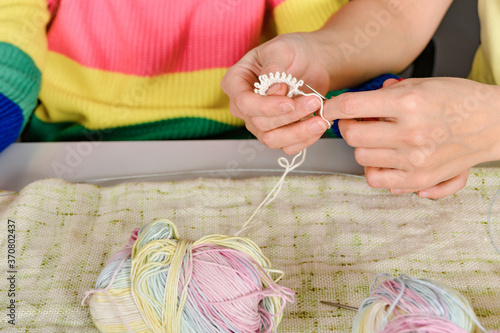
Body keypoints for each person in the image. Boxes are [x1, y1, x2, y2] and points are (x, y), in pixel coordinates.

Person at [222, 0, 500, 199]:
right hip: (453, 151)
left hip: (460, 147)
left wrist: (488, 125)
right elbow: (399, 13)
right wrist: (320, 54)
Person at [0, 0, 348, 153]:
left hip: (244, 144)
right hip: (69, 144)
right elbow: (10, 39)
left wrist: (369, 103)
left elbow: (326, 46)